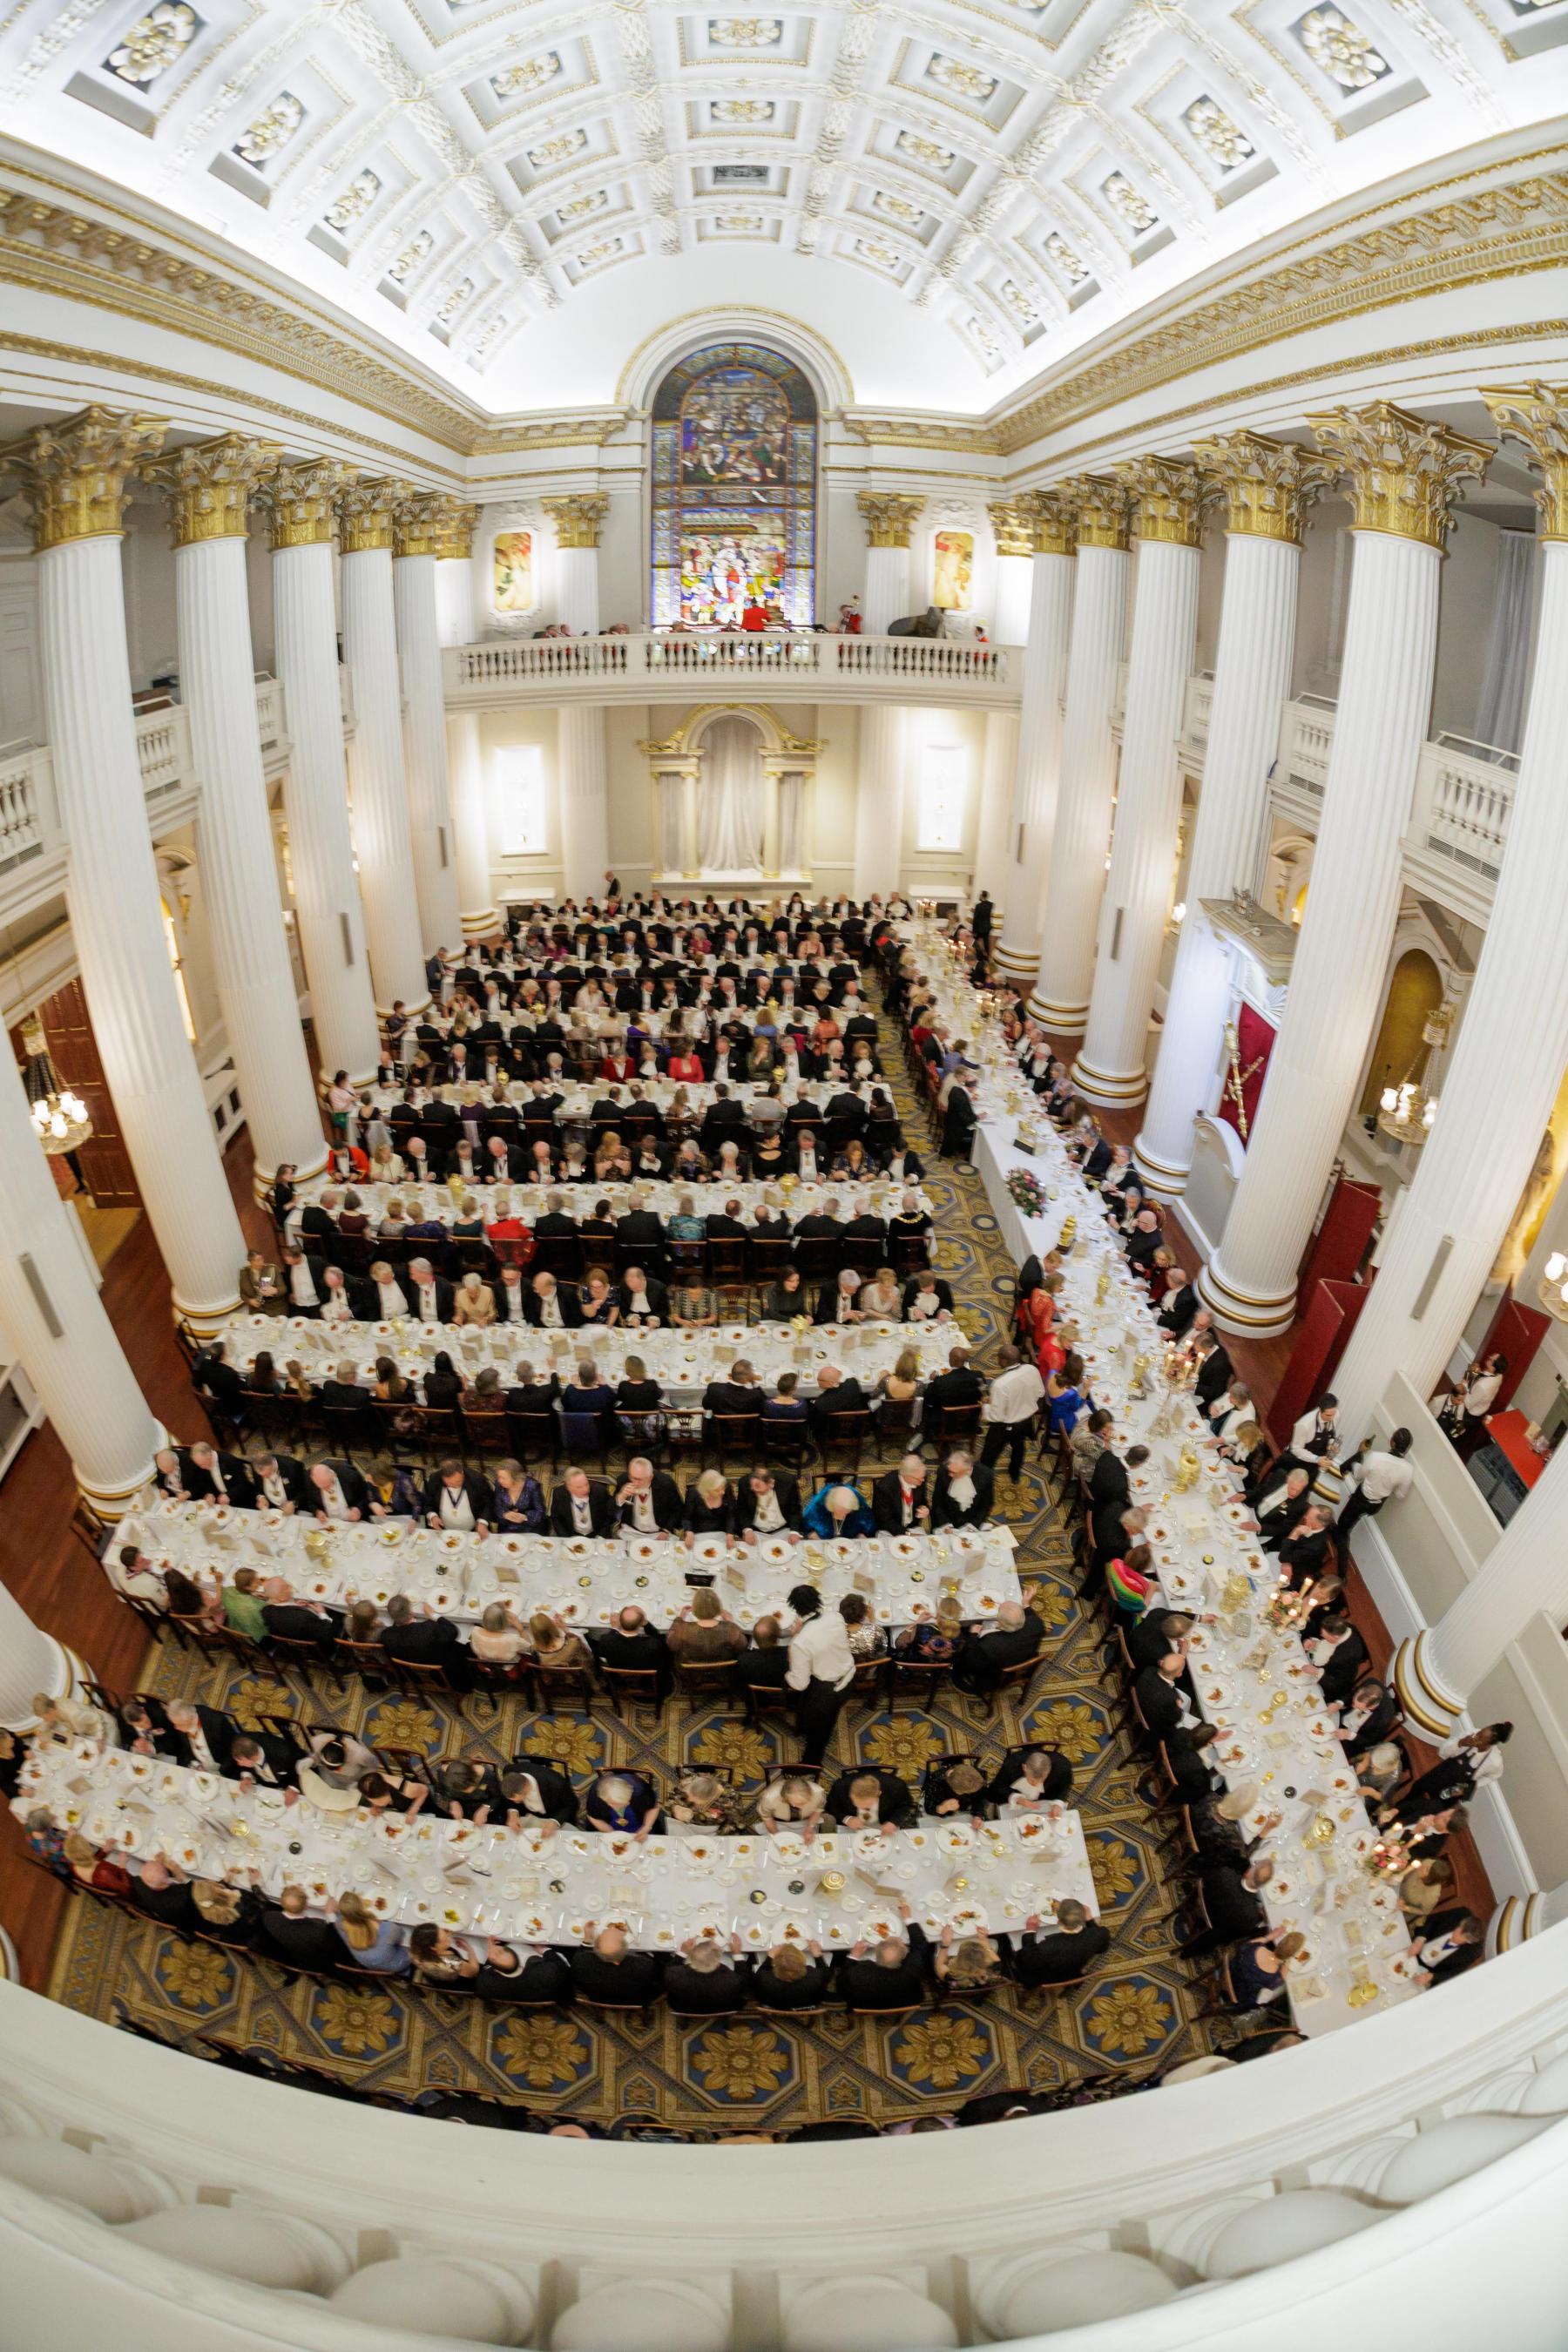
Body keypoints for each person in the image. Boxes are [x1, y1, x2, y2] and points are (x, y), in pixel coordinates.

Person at [786, 1583, 855, 1766]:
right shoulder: (835, 1616)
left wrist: (795, 1638)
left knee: (820, 1730)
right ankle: (802, 1726)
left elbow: (799, 1684)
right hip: (848, 1675)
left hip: (826, 1689)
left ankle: (811, 1764)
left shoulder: (800, 1642)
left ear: (794, 1608)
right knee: (816, 1713)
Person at [1007, 1899, 1109, 1989]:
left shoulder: (1047, 1948)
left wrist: (1030, 1930)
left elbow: (1026, 1962)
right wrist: (1090, 1919)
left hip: (1043, 1977)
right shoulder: (1101, 1934)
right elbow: (1102, 1949)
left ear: (1059, 1920)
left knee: (1011, 1947)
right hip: (1072, 1971)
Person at [841, 1904, 928, 2009]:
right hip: (907, 2000)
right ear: (905, 1958)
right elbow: (920, 1945)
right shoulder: (913, 1969)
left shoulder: (857, 1974)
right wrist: (908, 1919)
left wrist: (854, 1955)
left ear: (876, 1955)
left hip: (868, 2004)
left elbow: (843, 1978)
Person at [1338, 1427, 1416, 1542]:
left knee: (1342, 1529)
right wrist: (1388, 1483)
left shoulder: (1376, 1457)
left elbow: (1358, 1476)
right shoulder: (1409, 1469)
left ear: (1392, 1442)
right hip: (1374, 1507)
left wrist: (1358, 1457)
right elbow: (1400, 1495)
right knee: (1345, 1525)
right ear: (1406, 1448)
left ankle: (1340, 1557)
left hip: (1360, 1500)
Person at [952, 1598, 1044, 1695]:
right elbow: (1031, 1615)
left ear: (999, 1623)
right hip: (1021, 1657)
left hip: (995, 1676)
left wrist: (973, 1635)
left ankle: (959, 1678)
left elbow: (974, 1661)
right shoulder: (1036, 1623)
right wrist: (1025, 1604)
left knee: (959, 1654)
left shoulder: (990, 1644)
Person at [980, 1344, 1044, 1480]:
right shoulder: (1032, 1369)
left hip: (1004, 1426)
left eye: (998, 1358)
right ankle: (1014, 1473)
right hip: (1025, 1421)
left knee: (989, 1454)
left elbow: (996, 1416)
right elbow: (1040, 1393)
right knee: (1019, 1447)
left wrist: (985, 1406)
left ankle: (983, 1478)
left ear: (1004, 1361)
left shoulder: (1000, 1384)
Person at [571, 1924, 664, 2005]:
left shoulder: (581, 1962)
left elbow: (580, 1956)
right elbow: (659, 1984)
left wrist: (587, 1939)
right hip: (635, 2000)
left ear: (596, 1950)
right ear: (626, 1950)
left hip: (599, 1998)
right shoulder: (644, 1965)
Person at [334, 1889, 411, 1975]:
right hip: (397, 1964)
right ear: (365, 1910)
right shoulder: (389, 1929)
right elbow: (401, 1936)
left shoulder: (339, 1923)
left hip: (366, 1964)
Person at [668, 1586, 746, 1661]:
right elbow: (742, 1647)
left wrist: (680, 1618)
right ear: (719, 1609)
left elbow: (671, 1645)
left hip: (690, 1673)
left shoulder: (683, 1630)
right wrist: (730, 1623)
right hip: (723, 1672)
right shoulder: (732, 1630)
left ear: (694, 1610)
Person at [931, 1449, 995, 1529]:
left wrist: (973, 1526)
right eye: (949, 1471)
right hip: (946, 1521)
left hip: (972, 1522)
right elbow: (937, 1502)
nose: (950, 1475)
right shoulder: (942, 1471)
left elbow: (986, 1505)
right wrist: (946, 1525)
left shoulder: (986, 1475)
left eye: (954, 1472)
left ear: (968, 1470)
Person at [801, 1480, 875, 1538]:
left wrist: (862, 1535)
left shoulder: (859, 1505)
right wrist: (812, 1534)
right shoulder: (818, 1505)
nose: (842, 1515)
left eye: (846, 1512)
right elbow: (806, 1525)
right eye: (840, 1511)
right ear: (831, 1505)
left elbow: (869, 1526)